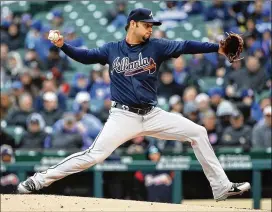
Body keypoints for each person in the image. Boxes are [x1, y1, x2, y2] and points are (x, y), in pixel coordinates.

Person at [17, 8, 250, 201]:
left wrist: (216, 48)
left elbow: (186, 45)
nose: (150, 28)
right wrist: (63, 46)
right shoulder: (112, 50)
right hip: (123, 116)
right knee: (94, 156)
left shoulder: (156, 47)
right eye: (147, 24)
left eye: (152, 25)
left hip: (152, 114)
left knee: (198, 132)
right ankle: (38, 180)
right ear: (132, 24)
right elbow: (85, 56)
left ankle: (221, 187)